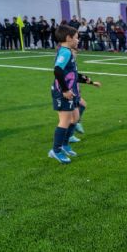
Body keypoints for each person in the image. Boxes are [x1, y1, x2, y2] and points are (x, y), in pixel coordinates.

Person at [48, 25, 81, 164]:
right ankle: (55, 151)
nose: (78, 40)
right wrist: (65, 90)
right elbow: (57, 70)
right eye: (76, 38)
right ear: (68, 38)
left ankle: (65, 144)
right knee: (65, 121)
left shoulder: (67, 51)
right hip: (62, 92)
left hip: (70, 91)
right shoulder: (66, 52)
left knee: (75, 117)